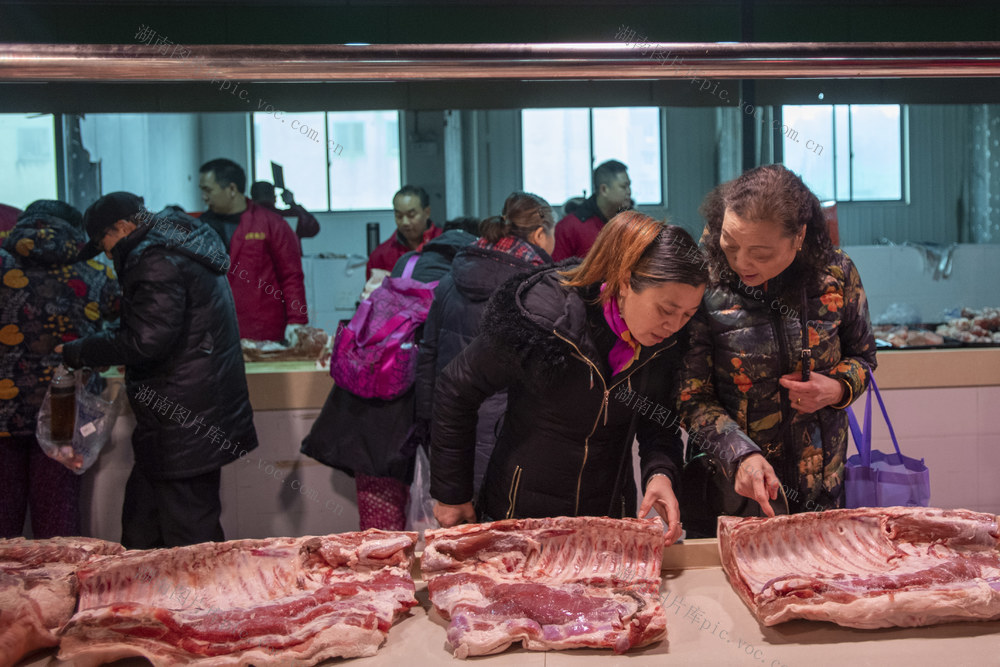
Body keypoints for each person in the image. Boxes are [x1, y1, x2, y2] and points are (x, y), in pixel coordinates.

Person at [431, 212, 708, 545]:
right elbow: (456, 388)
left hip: (605, 519)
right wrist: (451, 493)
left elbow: (658, 424)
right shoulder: (544, 321)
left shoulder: (665, 344)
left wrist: (660, 474)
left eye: (688, 315)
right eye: (666, 310)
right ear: (624, 281)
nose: (675, 325)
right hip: (520, 517)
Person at [677, 164, 877, 537]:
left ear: (798, 237)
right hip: (730, 491)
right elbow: (691, 397)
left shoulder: (837, 274)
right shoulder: (704, 283)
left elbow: (864, 357)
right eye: (731, 244)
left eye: (760, 253)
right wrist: (740, 453)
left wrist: (837, 389)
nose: (741, 263)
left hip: (820, 490)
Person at [60, 192, 259, 548]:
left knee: (190, 534)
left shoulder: (154, 258)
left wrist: (83, 351)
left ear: (123, 227)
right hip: (181, 412)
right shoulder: (174, 242)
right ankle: (142, 602)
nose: (107, 254)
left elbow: (146, 340)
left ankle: (206, 602)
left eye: (105, 243)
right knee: (144, 526)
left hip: (183, 417)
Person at [301, 217, 478, 531]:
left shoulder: (406, 263)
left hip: (370, 414)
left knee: (381, 536)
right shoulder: (464, 279)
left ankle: (380, 576)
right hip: (422, 416)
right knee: (441, 537)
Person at [416, 193, 555, 496]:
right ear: (541, 233)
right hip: (514, 436)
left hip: (452, 433)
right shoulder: (538, 289)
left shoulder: (449, 280)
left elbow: (428, 355)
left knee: (464, 535)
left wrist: (430, 424)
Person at [0, 200, 120, 539]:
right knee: (57, 518)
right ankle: (61, 587)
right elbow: (121, 323)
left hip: (2, 407)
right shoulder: (95, 272)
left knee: (2, 517)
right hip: (64, 406)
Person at [199, 158, 308, 342]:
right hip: (214, 330)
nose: (204, 197)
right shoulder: (200, 227)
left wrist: (296, 320)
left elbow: (291, 276)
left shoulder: (271, 224)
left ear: (232, 189)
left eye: (208, 190)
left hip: (263, 331)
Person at [552, 160, 632, 261]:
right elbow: (555, 272)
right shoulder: (569, 227)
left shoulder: (631, 224)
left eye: (629, 186)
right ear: (604, 190)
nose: (629, 191)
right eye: (624, 186)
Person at [365, 185, 443, 281]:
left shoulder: (446, 245)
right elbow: (372, 293)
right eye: (399, 216)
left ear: (427, 212)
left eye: (411, 215)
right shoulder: (380, 256)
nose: (405, 222)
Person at [249, 180, 321, 242]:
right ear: (274, 197)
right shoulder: (288, 216)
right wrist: (292, 203)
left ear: (252, 198)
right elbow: (313, 228)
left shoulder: (243, 219)